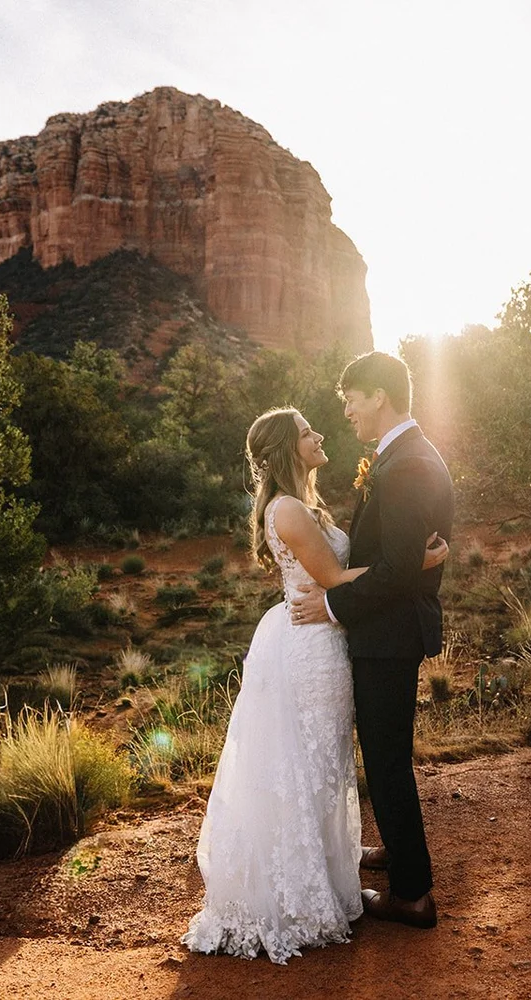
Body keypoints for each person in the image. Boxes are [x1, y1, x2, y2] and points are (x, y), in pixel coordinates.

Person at [181, 406, 448, 964]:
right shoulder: (290, 510)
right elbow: (331, 579)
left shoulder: (308, 505)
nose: (319, 433)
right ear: (286, 449)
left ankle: (328, 861)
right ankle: (298, 885)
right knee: (307, 760)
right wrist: (412, 565)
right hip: (309, 645)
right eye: (307, 432)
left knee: (322, 758)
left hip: (326, 639)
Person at [290, 351, 454, 930]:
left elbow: (400, 569)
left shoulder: (407, 464)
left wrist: (332, 604)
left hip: (389, 633)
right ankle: (397, 850)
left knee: (386, 761)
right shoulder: (399, 457)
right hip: (385, 630)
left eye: (352, 399)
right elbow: (406, 558)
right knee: (384, 755)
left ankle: (412, 894)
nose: (348, 411)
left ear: (378, 395)